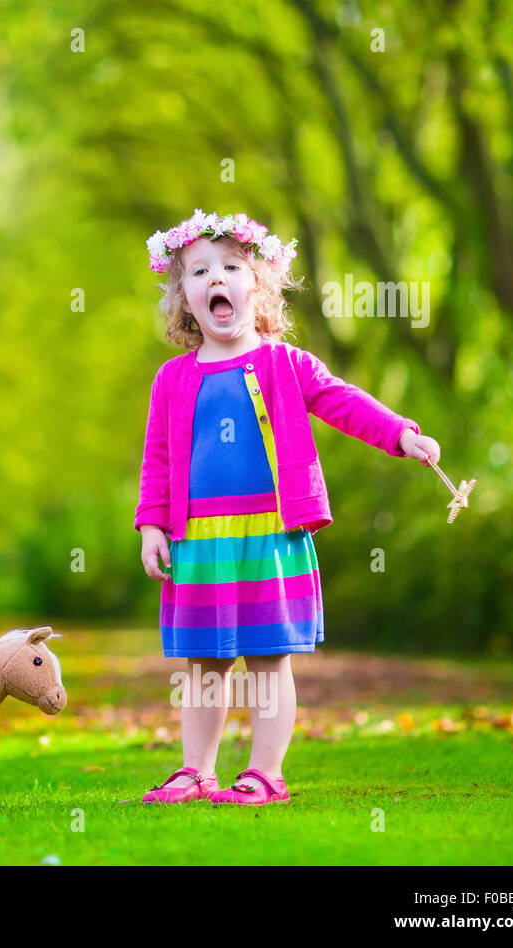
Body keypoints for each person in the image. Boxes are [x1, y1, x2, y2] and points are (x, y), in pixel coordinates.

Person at [134, 210, 441, 805]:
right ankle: (195, 770)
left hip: (271, 531)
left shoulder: (284, 364)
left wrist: (401, 433)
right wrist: (151, 524)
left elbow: (343, 401)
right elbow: (159, 458)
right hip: (197, 539)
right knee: (201, 663)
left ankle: (265, 773)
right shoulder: (171, 378)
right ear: (184, 298)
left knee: (268, 659)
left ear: (258, 286)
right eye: (199, 271)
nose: (216, 277)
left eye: (230, 267)